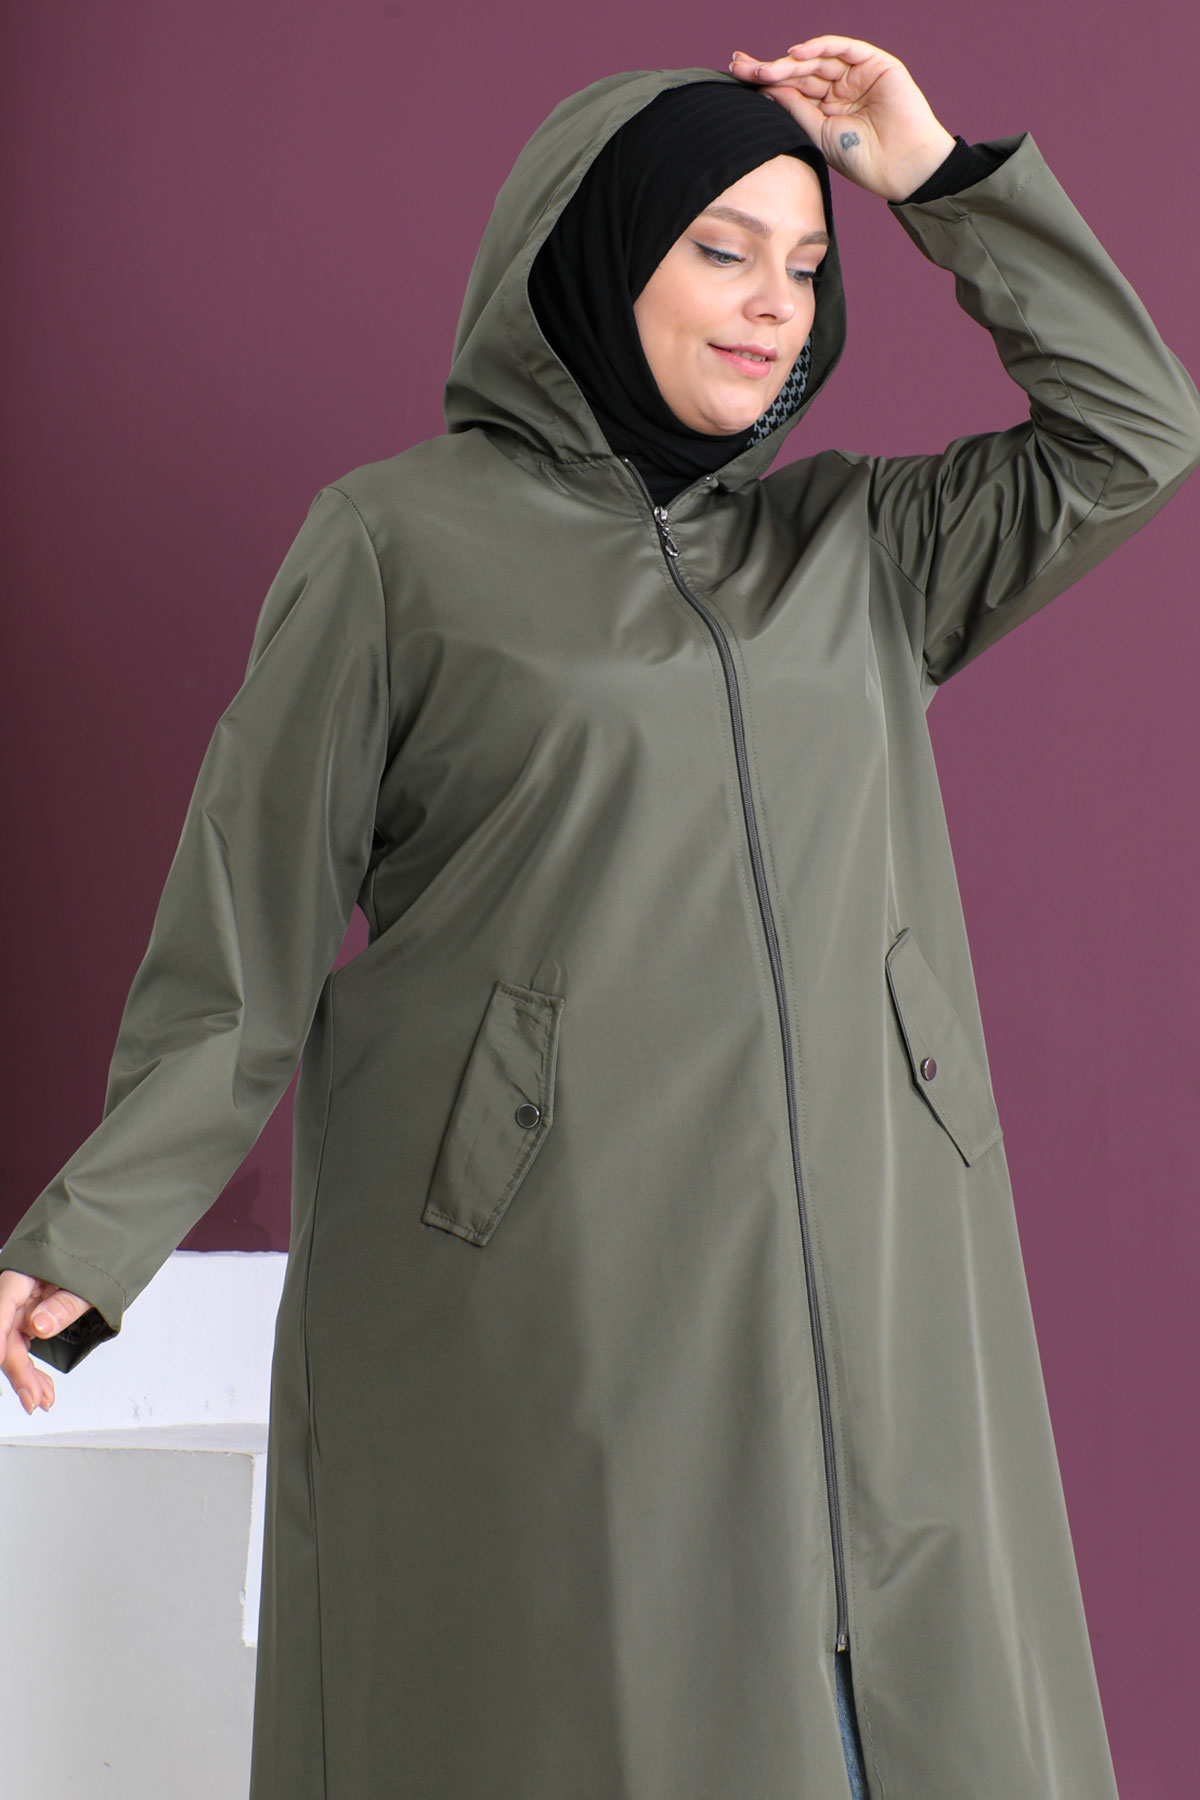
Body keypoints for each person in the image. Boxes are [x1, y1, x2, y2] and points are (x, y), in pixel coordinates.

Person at [2, 34, 1197, 1800]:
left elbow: (1135, 431)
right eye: (721, 248)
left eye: (807, 265)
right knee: (611, 1711)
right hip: (564, 1274)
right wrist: (95, 1233)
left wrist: (935, 176)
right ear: (595, 250)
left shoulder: (855, 551)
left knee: (915, 1698)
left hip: (882, 1247)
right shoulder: (398, 548)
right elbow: (247, 924)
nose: (774, 304)